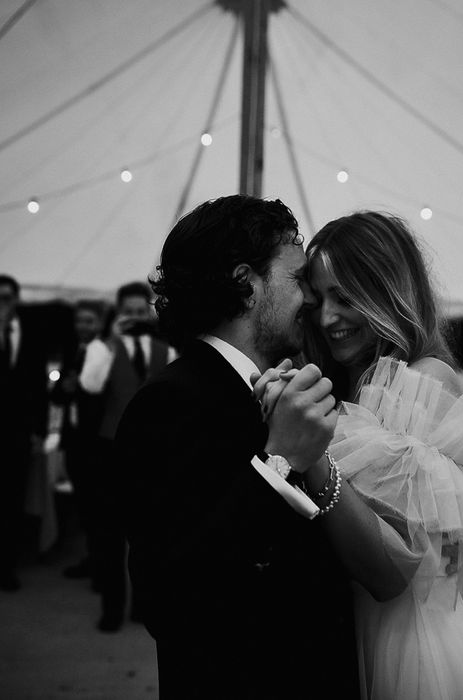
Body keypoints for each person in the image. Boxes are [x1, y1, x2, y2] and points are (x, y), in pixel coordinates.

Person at [115, 195, 407, 698]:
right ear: (246, 284)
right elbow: (168, 600)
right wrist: (280, 462)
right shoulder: (169, 402)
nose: (313, 302)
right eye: (297, 281)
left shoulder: (281, 390)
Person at [283, 211, 463, 700]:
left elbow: (426, 553)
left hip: (401, 634)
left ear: (388, 291)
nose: (327, 318)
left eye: (346, 296)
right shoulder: (353, 379)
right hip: (358, 621)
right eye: (319, 299)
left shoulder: (420, 379)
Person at [79, 282, 176, 631]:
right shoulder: (102, 348)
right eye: (129, 312)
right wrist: (108, 340)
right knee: (109, 535)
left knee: (148, 535)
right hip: (109, 449)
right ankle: (111, 608)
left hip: (151, 454)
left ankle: (142, 604)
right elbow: (89, 385)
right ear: (119, 314)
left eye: (140, 311)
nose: (135, 317)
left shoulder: (166, 351)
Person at [50, 299, 108, 583]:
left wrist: (83, 391)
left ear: (99, 322)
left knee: (98, 507)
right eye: (79, 321)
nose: (82, 326)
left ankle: (101, 566)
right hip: (74, 440)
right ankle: (90, 559)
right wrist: (64, 386)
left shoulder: (107, 353)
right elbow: (58, 397)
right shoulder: (72, 351)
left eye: (88, 321)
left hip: (95, 442)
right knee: (84, 505)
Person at [0, 274, 49, 592]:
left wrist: (40, 430)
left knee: (11, 500)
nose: (2, 303)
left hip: (17, 432)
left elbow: (38, 387)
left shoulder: (31, 335)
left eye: (7, 297)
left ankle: (7, 566)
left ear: (17, 300)